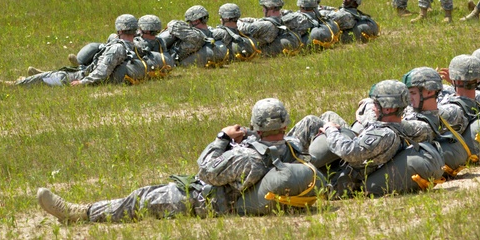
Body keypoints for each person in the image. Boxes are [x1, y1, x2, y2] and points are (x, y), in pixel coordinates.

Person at [35, 99, 328, 223]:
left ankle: (79, 213)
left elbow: (206, 169)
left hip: (207, 199)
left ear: (257, 125)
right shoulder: (291, 144)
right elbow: (310, 123)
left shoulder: (246, 158)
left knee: (142, 198)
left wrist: (222, 137)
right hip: (253, 168)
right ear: (285, 125)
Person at [316, 80, 444, 196]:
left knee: (312, 122)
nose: (373, 107)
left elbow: (349, 151)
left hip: (337, 179)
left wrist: (330, 130)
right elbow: (425, 130)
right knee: (328, 115)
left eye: (376, 104)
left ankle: (298, 162)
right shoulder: (405, 127)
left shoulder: (383, 135)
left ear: (388, 108)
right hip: (359, 156)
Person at [0, 14, 147, 88]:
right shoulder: (137, 45)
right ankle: (40, 74)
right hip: (86, 72)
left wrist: (83, 82)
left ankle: (12, 85)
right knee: (60, 73)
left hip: (83, 76)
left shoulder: (116, 48)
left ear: (119, 29)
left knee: (53, 78)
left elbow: (102, 72)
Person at [160, 5, 230, 68]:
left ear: (196, 21)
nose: (189, 24)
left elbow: (174, 25)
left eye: (190, 21)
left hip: (176, 59)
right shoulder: (214, 32)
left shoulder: (193, 35)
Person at [238, 0, 303, 57]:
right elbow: (258, 20)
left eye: (264, 7)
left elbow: (242, 28)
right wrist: (244, 20)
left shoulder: (266, 25)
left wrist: (234, 19)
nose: (263, 10)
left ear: (271, 8)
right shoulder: (282, 19)